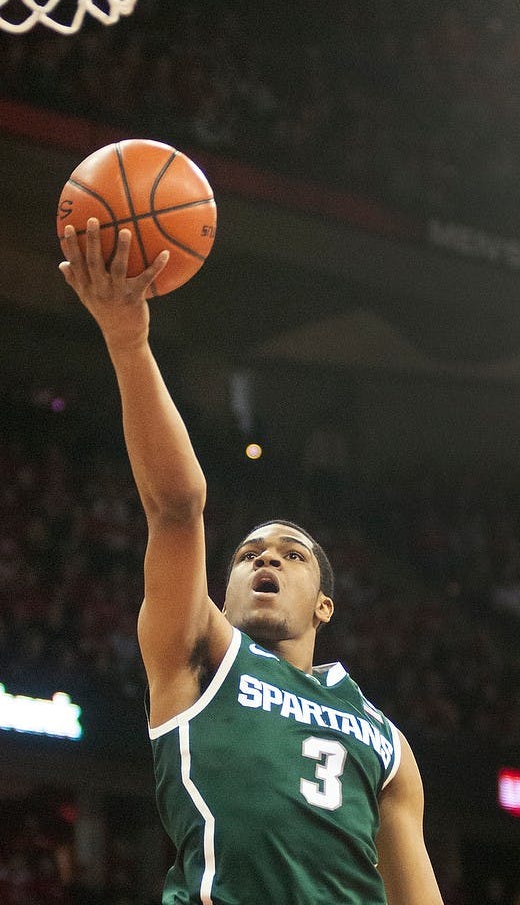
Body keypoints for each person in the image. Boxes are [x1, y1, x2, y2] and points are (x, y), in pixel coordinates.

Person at [59, 218, 444, 904]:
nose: (266, 558)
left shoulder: (386, 740)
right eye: (247, 555)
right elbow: (176, 507)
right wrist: (128, 340)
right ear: (225, 587)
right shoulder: (198, 654)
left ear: (324, 603)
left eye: (292, 555)